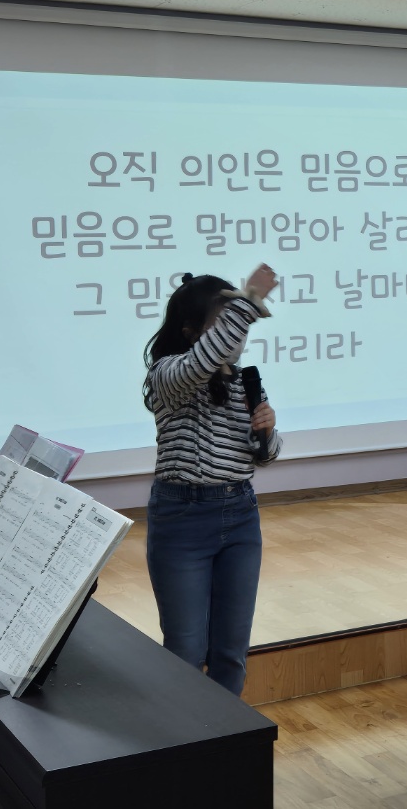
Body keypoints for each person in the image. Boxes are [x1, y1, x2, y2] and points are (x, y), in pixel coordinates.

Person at [142, 266, 280, 695]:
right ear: (189, 332)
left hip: (240, 515)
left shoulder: (242, 382)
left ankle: (229, 734)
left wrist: (268, 432)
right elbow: (202, 361)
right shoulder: (168, 374)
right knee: (186, 649)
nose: (233, 337)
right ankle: (182, 735)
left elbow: (263, 455)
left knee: (231, 650)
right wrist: (249, 300)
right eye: (220, 325)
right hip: (182, 518)